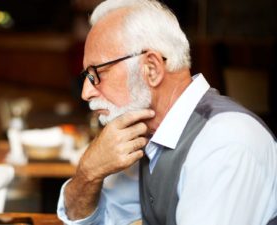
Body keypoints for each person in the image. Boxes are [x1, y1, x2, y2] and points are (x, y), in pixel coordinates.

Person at [56, 0, 277, 224]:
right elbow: (95, 219)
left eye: (97, 73)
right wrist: (88, 172)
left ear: (151, 69)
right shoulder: (148, 136)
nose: (86, 92)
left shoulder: (224, 142)